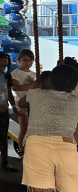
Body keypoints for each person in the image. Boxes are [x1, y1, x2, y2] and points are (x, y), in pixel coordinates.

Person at [18, 64, 78, 192]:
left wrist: (37, 88)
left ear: (50, 81)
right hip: (66, 146)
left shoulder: (34, 94)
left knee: (40, 189)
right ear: (74, 86)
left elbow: (21, 103)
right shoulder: (76, 101)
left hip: (37, 145)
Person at [11, 49, 37, 153]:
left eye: (30, 60)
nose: (28, 63)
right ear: (19, 60)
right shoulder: (16, 73)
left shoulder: (34, 74)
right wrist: (32, 86)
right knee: (24, 128)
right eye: (25, 60)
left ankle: (30, 148)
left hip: (33, 104)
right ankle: (21, 150)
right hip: (21, 104)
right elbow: (15, 87)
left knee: (32, 129)